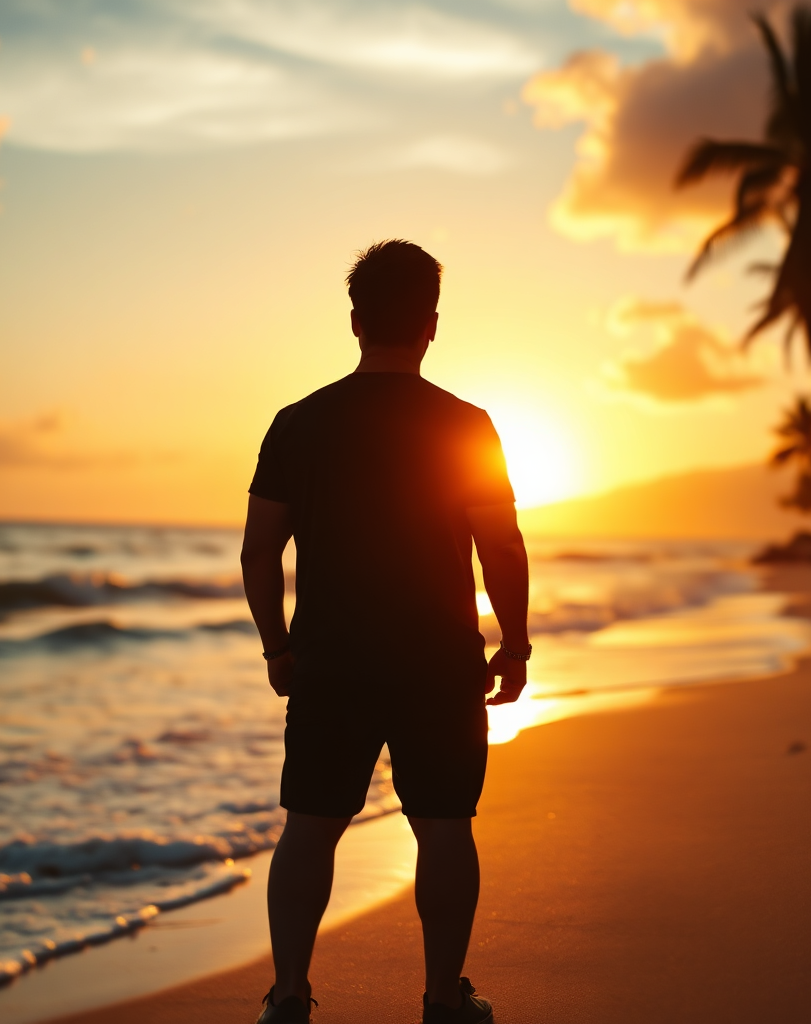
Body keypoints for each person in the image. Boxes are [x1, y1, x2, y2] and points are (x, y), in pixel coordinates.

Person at [241, 239, 530, 1024]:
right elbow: (501, 545)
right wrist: (514, 644)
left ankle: (289, 997)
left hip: (331, 658)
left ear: (356, 321)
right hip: (438, 659)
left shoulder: (298, 423)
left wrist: (278, 647)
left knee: (310, 828)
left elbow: (260, 552)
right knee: (444, 826)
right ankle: (442, 1000)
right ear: (430, 323)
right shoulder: (466, 425)